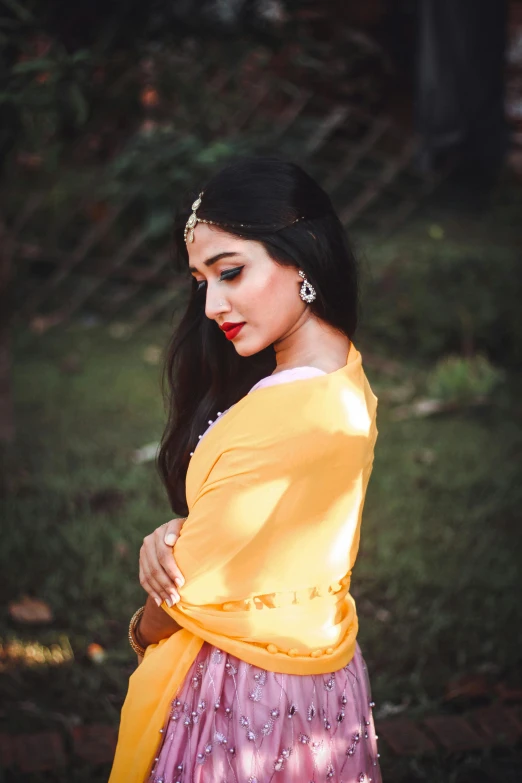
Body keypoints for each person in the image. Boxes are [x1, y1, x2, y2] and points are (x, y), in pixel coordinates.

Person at [109, 157, 382, 783]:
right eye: (202, 281)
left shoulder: (286, 410)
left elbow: (184, 589)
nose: (212, 304)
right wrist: (180, 530)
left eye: (230, 272)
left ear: (303, 256)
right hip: (316, 676)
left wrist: (145, 621)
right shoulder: (341, 375)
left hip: (241, 703)